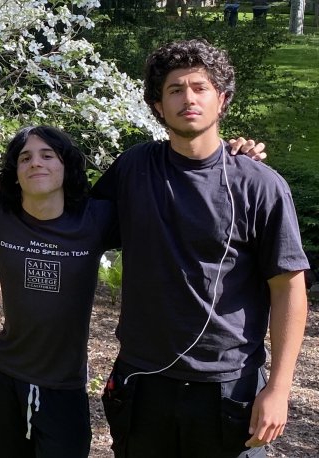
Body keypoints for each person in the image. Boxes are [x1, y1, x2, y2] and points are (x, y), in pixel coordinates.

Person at [93, 39, 309, 457]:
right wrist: (1, 194)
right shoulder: (134, 168)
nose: (187, 98)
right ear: (158, 105)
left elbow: (289, 288)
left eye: (200, 87)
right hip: (143, 383)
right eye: (175, 89)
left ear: (221, 99)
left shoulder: (260, 186)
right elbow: (71, 223)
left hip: (229, 388)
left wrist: (279, 390)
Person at [0, 126, 117, 457]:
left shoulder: (96, 219)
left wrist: (239, 155)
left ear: (67, 166)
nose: (36, 163)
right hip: (7, 378)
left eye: (48, 155)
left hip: (65, 386)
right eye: (25, 158)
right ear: (14, 173)